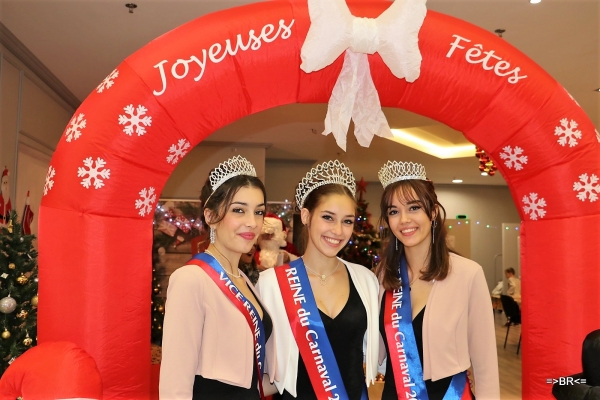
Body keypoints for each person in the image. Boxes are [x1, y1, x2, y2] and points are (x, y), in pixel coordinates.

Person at [376, 161, 500, 400]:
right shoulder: (383, 275)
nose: (404, 220)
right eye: (393, 211)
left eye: (413, 208)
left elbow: (485, 362)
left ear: (432, 212)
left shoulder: (468, 274)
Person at [256, 160, 379, 400]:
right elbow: (260, 364)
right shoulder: (272, 284)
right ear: (305, 215)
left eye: (347, 221)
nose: (338, 231)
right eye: (328, 217)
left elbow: (376, 353)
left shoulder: (365, 280)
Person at [160, 155, 276, 400]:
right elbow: (174, 385)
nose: (252, 222)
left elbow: (251, 380)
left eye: (258, 212)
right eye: (238, 210)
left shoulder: (245, 281)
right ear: (211, 216)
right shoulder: (191, 279)